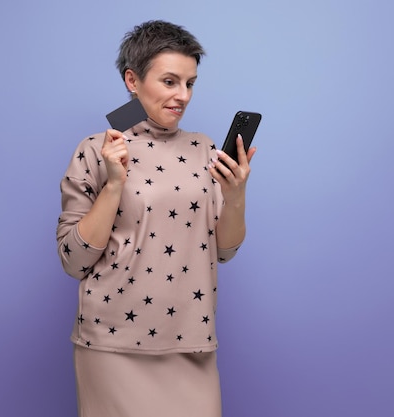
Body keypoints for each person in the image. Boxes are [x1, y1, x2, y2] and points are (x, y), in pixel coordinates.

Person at [56, 20, 256, 417]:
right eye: (169, 82)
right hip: (113, 347)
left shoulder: (204, 149)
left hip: (191, 342)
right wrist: (114, 185)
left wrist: (235, 196)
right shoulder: (97, 149)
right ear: (132, 79)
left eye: (190, 83)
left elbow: (226, 251)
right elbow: (72, 260)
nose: (183, 96)